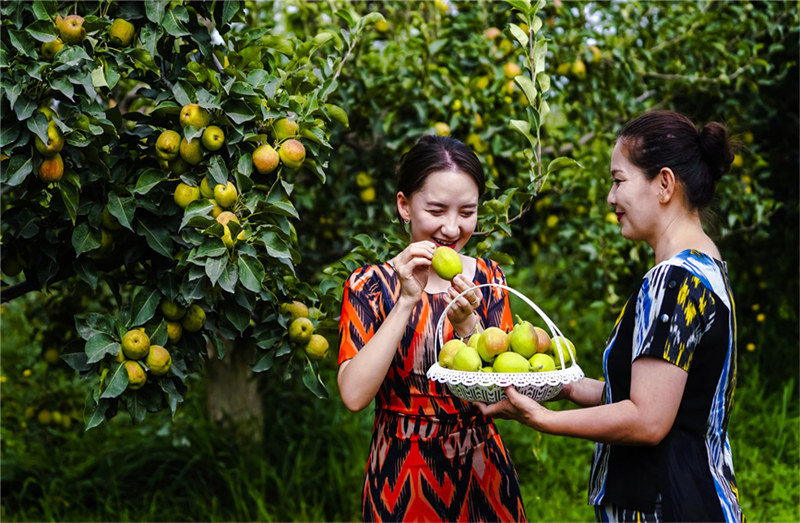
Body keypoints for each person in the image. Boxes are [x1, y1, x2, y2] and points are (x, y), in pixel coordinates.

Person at [478, 110, 744, 522]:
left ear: (665, 184)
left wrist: (544, 420)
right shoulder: (705, 268)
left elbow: (648, 419)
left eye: (619, 181)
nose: (611, 197)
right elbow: (657, 396)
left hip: (667, 507)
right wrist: (563, 387)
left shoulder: (673, 281)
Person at [337, 134, 527, 522]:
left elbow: (507, 393)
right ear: (405, 205)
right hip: (403, 477)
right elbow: (354, 395)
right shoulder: (369, 286)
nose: (452, 228)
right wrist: (407, 299)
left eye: (467, 212)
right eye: (437, 210)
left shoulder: (488, 281)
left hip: (481, 469)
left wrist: (468, 324)